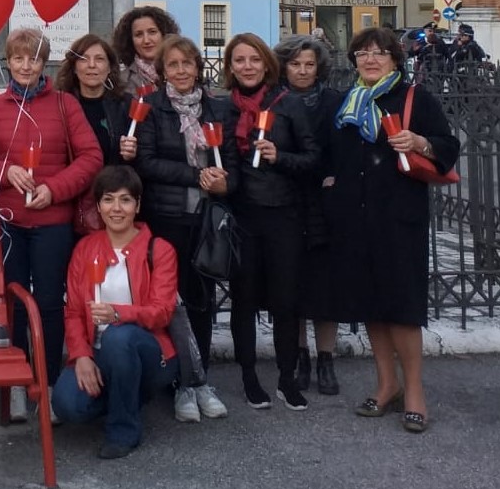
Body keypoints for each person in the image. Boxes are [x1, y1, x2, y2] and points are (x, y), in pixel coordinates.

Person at [323, 28, 459, 433]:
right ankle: (387, 385)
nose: (370, 59)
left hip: (399, 218)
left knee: (402, 308)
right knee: (372, 307)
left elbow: (448, 146)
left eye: (379, 52)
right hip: (356, 219)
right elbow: (336, 157)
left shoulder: (416, 98)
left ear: (395, 59)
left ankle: (414, 391)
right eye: (362, 53)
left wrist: (419, 142)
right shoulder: (347, 103)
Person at [0, 28, 103, 423]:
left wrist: (54, 188)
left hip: (51, 220)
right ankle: (16, 380)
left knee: (48, 302)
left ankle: (44, 384)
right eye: (18, 58)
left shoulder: (64, 105)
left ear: (45, 63)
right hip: (9, 221)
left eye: (34, 59)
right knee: (12, 302)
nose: (26, 65)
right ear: (8, 62)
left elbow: (90, 156)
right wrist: (4, 171)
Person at [135, 34, 235, 423]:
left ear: (198, 67)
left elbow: (232, 162)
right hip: (167, 216)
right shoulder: (151, 107)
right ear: (162, 71)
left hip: (205, 218)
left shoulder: (217, 109)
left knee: (201, 300)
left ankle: (199, 379)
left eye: (187, 64)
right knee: (169, 304)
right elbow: (147, 162)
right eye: (173, 65)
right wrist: (196, 175)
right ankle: (178, 381)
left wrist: (224, 181)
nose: (180, 71)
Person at [52, 166, 179, 459]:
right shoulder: (85, 249)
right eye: (108, 200)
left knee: (118, 338)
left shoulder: (159, 250)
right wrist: (81, 356)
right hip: (98, 352)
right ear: (98, 207)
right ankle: (127, 394)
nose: (116, 209)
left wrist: (117, 314)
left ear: (138, 205)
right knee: (66, 404)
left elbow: (162, 312)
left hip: (150, 352)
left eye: (125, 200)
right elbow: (72, 312)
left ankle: (124, 430)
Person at [222, 33, 320, 411]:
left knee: (286, 300)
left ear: (266, 64)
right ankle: (248, 376)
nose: (247, 66)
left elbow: (312, 158)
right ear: (230, 67)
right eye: (239, 60)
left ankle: (286, 378)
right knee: (243, 300)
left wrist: (280, 156)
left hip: (284, 215)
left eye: (253, 60)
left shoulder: (289, 104)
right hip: (242, 216)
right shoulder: (223, 108)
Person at [274, 34, 344, 395]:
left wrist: (335, 175)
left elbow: (343, 148)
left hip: (325, 198)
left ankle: (326, 358)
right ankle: (299, 354)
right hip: (288, 197)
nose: (302, 70)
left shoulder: (334, 101)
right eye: (295, 64)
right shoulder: (276, 101)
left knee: (325, 284)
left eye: (309, 64)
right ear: (284, 66)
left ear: (319, 68)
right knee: (293, 282)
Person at [55, 33, 137, 167]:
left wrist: (132, 153)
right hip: (73, 184)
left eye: (99, 59)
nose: (91, 65)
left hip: (113, 183)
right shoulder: (59, 105)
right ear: (74, 67)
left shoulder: (125, 105)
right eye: (83, 59)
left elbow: (144, 154)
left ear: (109, 67)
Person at [110, 7, 181, 95]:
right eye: (139, 34)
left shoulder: (183, 73)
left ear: (164, 34)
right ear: (130, 40)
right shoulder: (121, 82)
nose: (146, 40)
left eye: (152, 32)